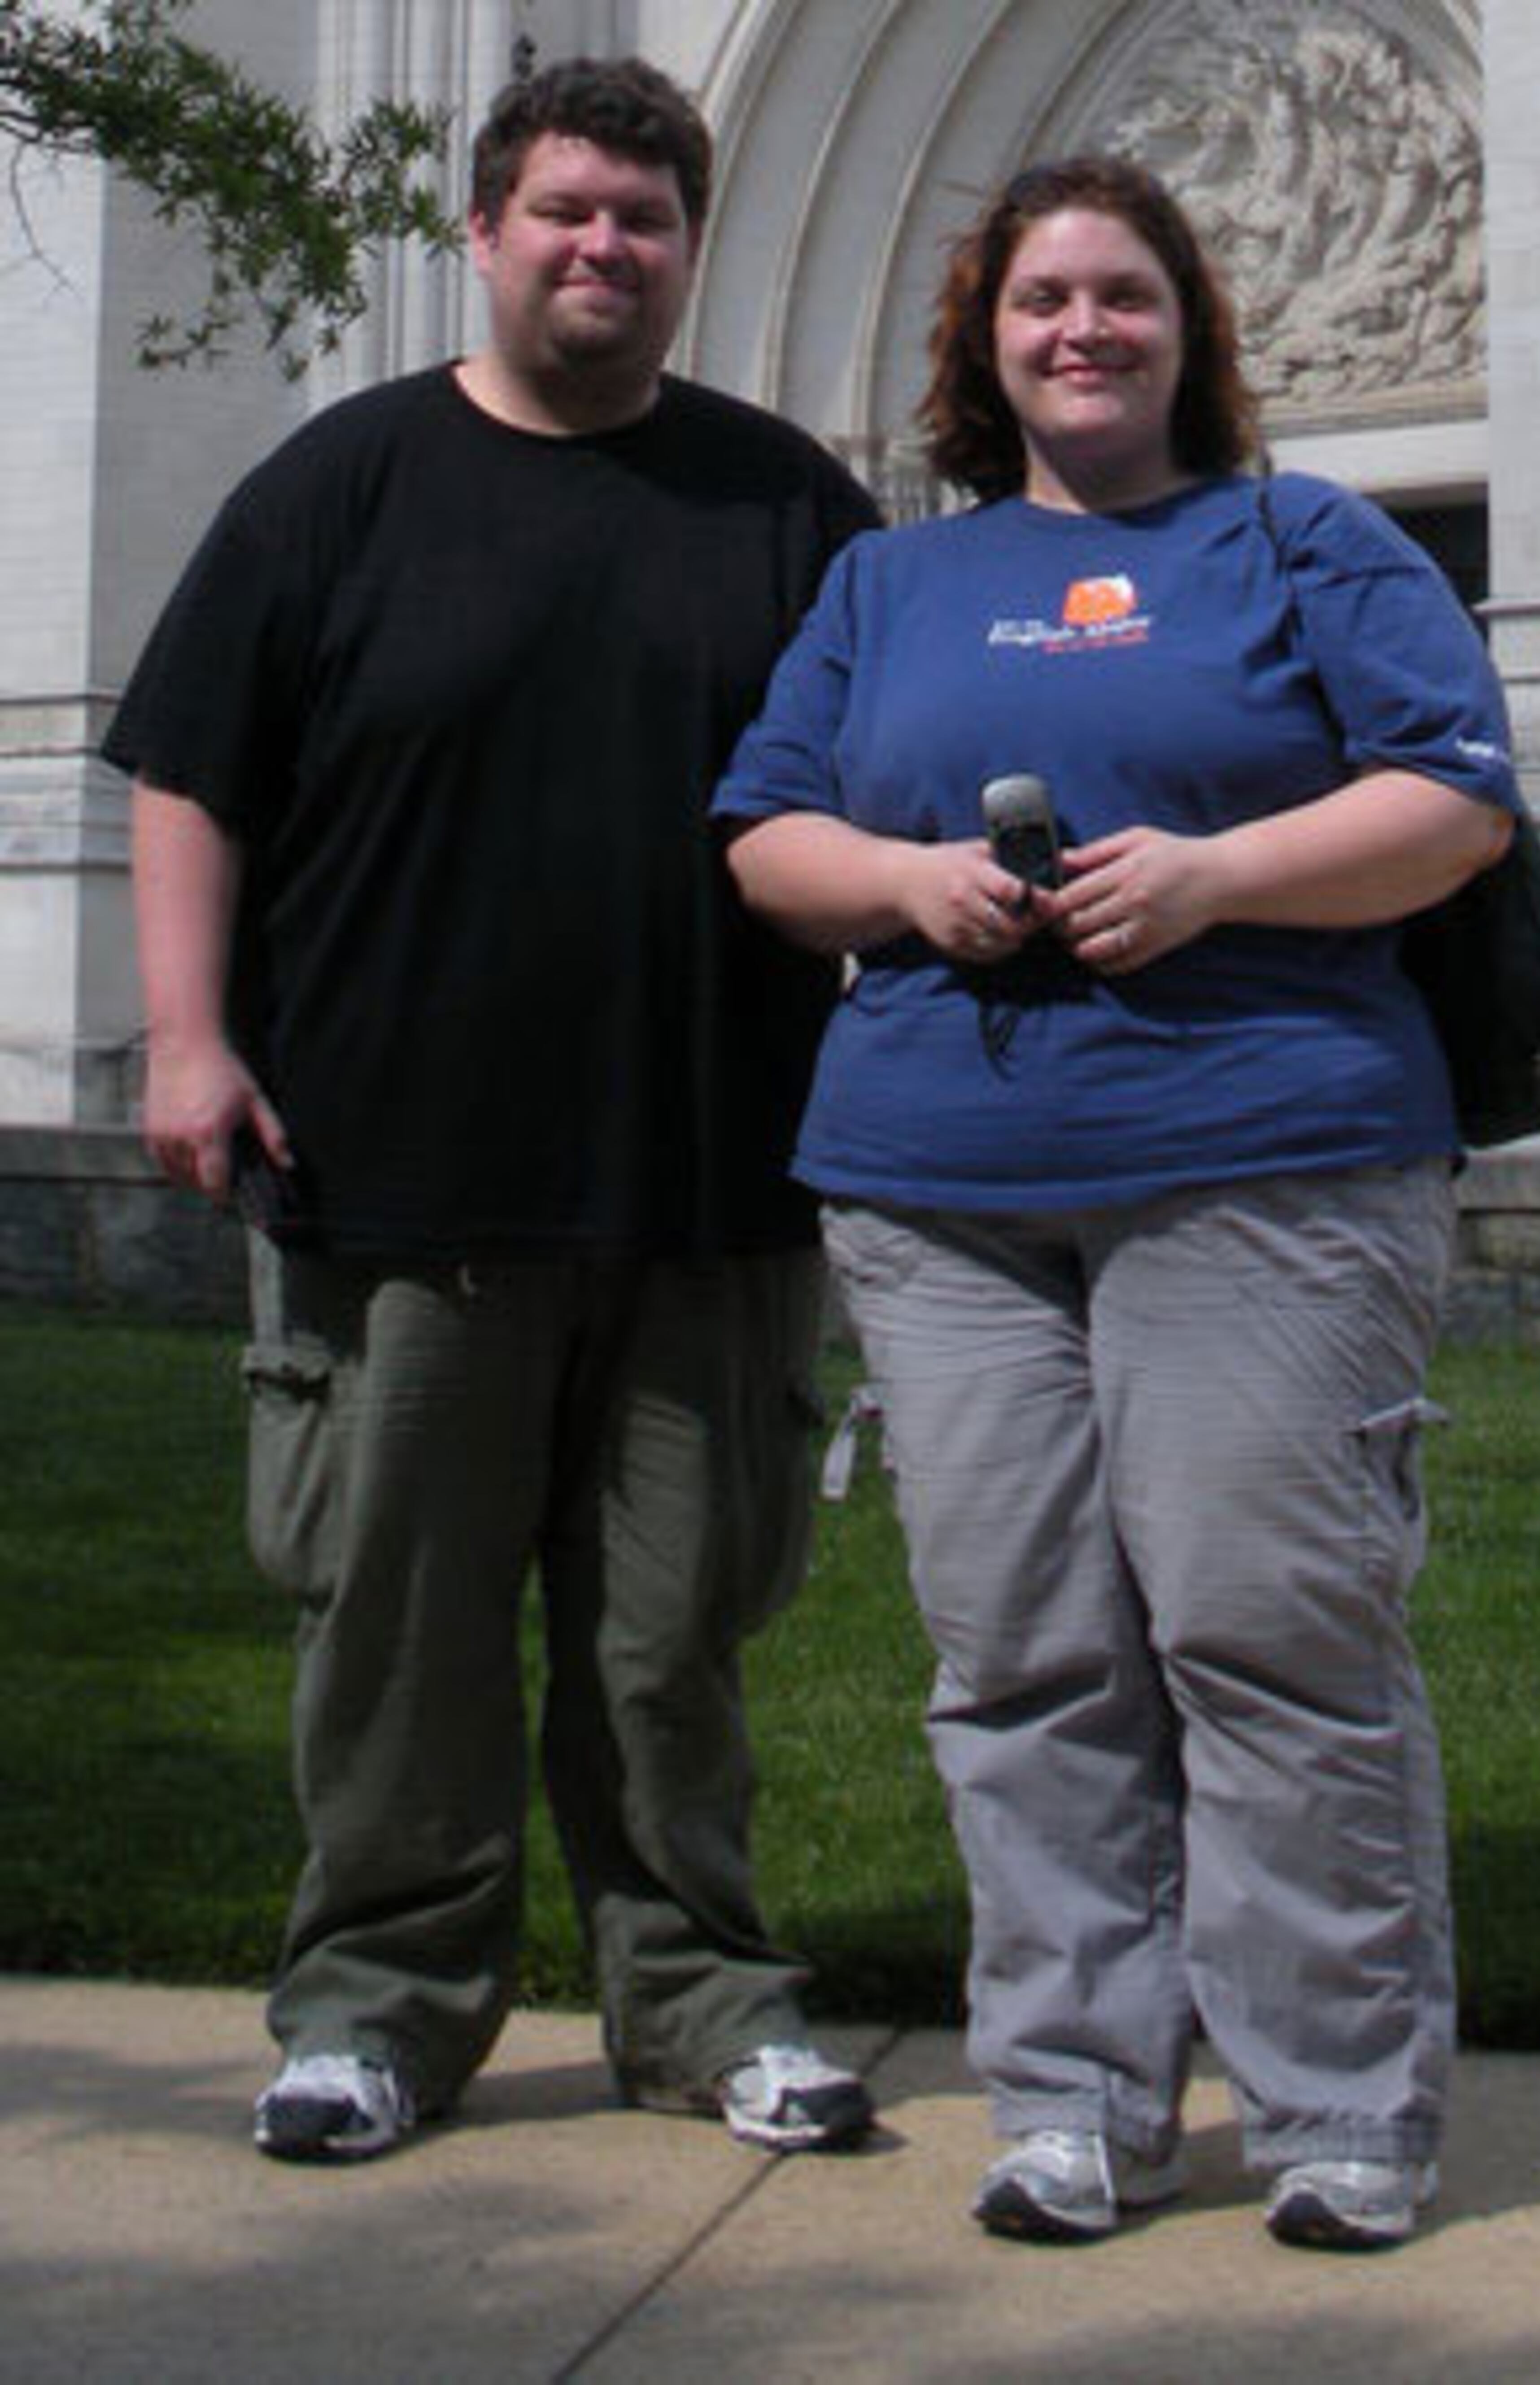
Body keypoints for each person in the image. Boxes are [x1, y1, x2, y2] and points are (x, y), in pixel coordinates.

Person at [713, 156, 1516, 2248]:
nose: (1084, 328)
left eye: (1125, 295)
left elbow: (1455, 798)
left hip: (1269, 1155)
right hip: (942, 1187)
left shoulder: (1300, 540)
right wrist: (904, 886)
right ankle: (1072, 2099)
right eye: (1042, 298)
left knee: (1273, 1638)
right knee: (1027, 1657)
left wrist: (1217, 873)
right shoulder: (893, 584)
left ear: (1192, 330)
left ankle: (1340, 2109)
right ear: (984, 342)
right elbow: (766, 839)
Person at [106, 54, 881, 2165]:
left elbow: (894, 785)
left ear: (690, 252)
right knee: (400, 1637)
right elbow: (189, 770)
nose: (601, 250)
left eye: (641, 221)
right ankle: (374, 2006)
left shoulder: (791, 501)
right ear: (481, 233)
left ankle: (703, 2002)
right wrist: (188, 1040)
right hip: (393, 1175)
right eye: (563, 212)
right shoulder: (336, 485)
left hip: (711, 1176)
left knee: (670, 1646)